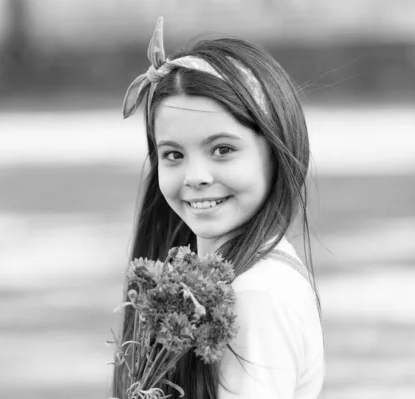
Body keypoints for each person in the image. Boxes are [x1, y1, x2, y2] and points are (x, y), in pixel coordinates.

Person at [112, 16, 324, 399]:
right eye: (173, 154)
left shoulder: (256, 294)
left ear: (275, 151)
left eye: (222, 149)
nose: (195, 176)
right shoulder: (240, 278)